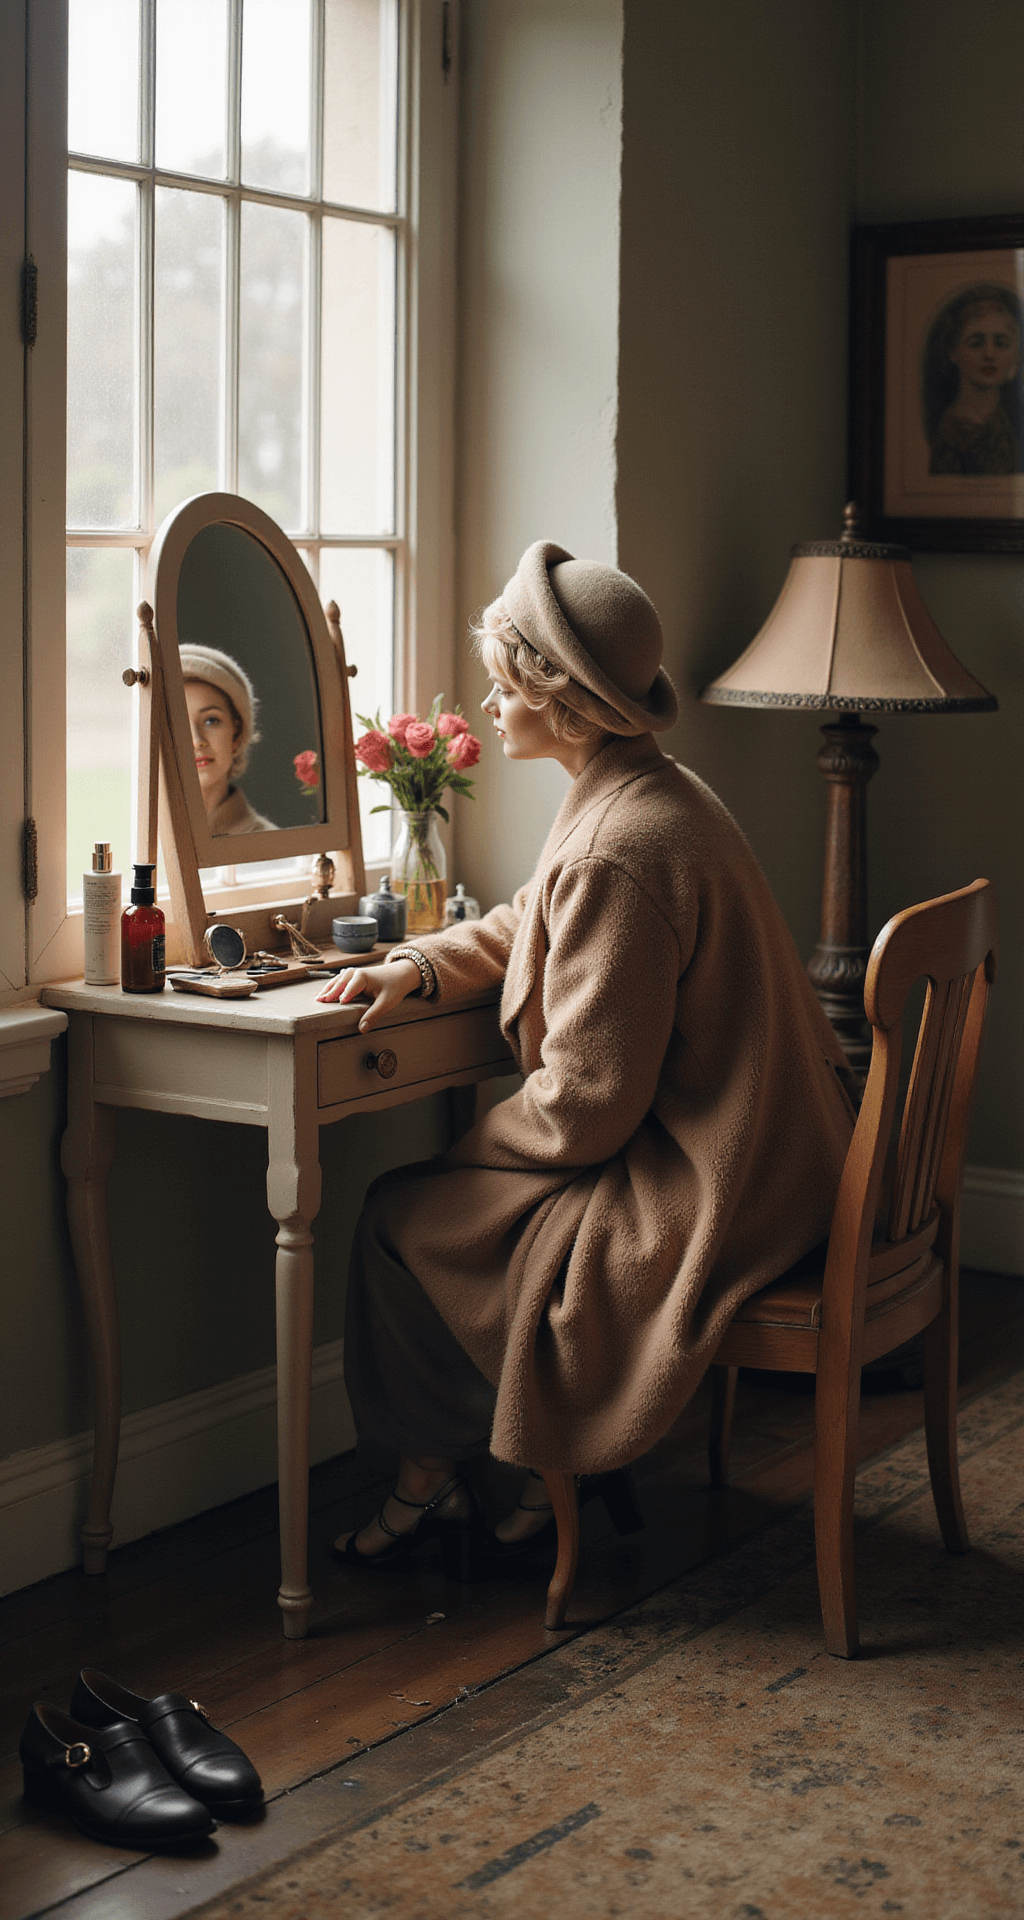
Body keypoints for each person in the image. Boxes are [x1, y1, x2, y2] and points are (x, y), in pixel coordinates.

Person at [316, 542, 855, 1565]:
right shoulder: (641, 793)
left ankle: (439, 1469)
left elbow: (587, 1109)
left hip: (712, 1183)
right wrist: (422, 966)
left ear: (558, 703)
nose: (487, 701)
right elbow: (535, 916)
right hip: (775, 1153)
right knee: (440, 1209)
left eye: (505, 682)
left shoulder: (621, 842)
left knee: (398, 1216)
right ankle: (510, 1472)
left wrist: (471, 1149)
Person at [924, 283, 1024, 476]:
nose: (989, 354)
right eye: (976, 343)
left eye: (1001, 343)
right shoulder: (950, 435)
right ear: (954, 351)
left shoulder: (1006, 423)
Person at [179, 644, 277, 834]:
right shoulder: (135, 839)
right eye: (177, 723)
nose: (197, 740)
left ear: (237, 733)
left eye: (211, 720)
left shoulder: (272, 847)